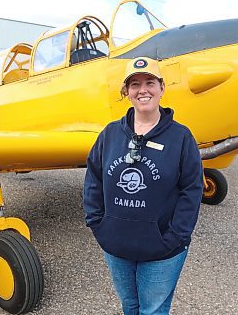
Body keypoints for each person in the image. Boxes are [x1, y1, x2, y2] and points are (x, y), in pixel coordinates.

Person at [83, 56, 203, 315]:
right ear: (126, 92)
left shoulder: (181, 137)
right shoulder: (110, 134)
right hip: (116, 246)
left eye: (150, 82)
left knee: (153, 310)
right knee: (130, 307)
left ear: (161, 88)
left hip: (162, 251)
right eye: (134, 84)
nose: (143, 90)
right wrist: (97, 223)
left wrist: (173, 237)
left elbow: (191, 190)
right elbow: (93, 178)